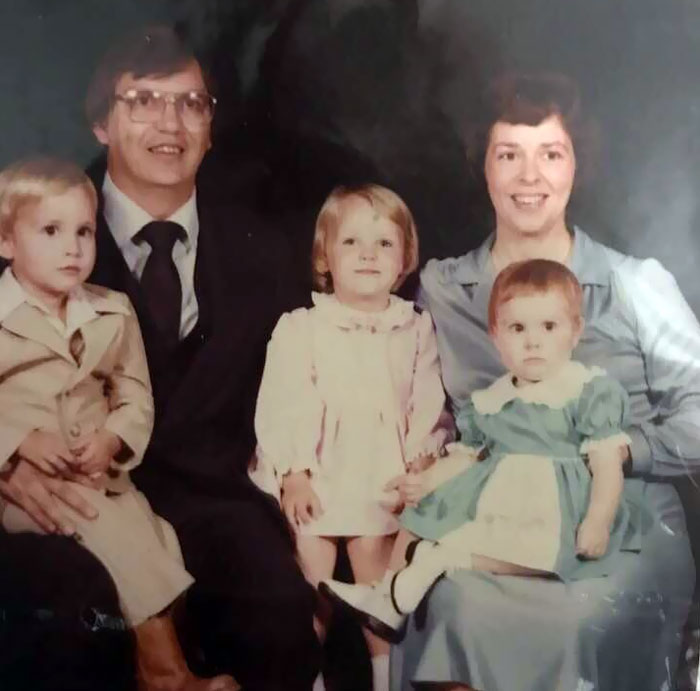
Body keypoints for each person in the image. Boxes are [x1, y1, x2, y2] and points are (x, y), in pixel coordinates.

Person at [6, 24, 320, 691]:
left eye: (190, 103)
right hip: (71, 499)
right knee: (75, 627)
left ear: (210, 126)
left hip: (220, 500)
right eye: (142, 100)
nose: (169, 122)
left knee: (280, 620)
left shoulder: (268, 251)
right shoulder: (35, 230)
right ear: (100, 123)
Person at [390, 73, 697, 691]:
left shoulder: (635, 284)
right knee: (454, 606)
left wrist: (623, 448)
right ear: (484, 168)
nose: (529, 177)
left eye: (549, 154)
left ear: (575, 167)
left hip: (620, 522)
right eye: (509, 155)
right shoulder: (448, 290)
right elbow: (423, 405)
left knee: (578, 624)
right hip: (494, 517)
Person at [0, 156, 239, 691]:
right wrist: (14, 441)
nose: (73, 247)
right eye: (51, 231)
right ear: (6, 242)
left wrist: (114, 437)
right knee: (120, 543)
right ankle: (168, 675)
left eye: (84, 231)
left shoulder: (113, 310)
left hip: (100, 479)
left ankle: (144, 671)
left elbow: (135, 395)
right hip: (22, 492)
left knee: (164, 541)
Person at [322, 258, 648, 642]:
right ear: (495, 335)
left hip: (555, 508)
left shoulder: (586, 390)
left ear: (575, 331)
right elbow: (467, 455)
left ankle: (426, 572)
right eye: (517, 328)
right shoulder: (492, 399)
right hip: (501, 499)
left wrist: (598, 519)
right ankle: (386, 593)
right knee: (424, 510)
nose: (533, 341)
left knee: (460, 550)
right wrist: (426, 481)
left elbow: (607, 463)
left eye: (549, 326)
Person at [251, 184, 454, 691]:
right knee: (311, 575)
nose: (368, 254)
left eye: (384, 244)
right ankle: (309, 674)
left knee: (376, 575)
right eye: (351, 244)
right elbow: (283, 401)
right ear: (325, 256)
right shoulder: (302, 326)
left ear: (405, 257)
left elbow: (426, 400)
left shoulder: (414, 326)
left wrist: (421, 461)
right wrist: (294, 471)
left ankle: (384, 675)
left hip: (382, 467)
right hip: (317, 469)